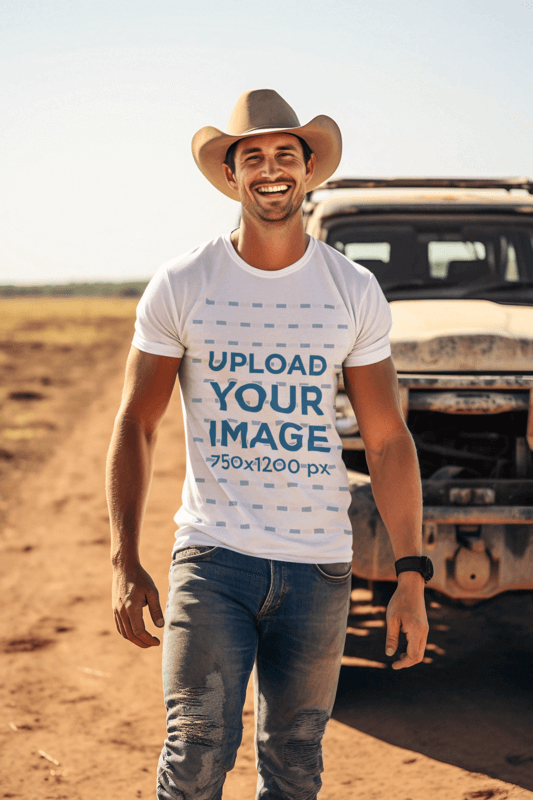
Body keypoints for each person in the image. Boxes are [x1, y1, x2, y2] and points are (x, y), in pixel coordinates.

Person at [106, 89, 429, 800]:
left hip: (318, 568)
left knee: (295, 761)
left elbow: (386, 441)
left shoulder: (351, 289)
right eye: (252, 157)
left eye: (287, 154)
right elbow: (136, 423)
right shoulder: (183, 283)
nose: (271, 170)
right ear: (230, 176)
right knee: (193, 754)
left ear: (309, 170)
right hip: (213, 558)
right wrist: (124, 558)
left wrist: (410, 571)